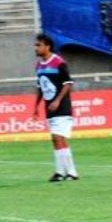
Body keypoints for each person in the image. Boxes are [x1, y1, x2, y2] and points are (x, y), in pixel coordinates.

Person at [32, 33, 78, 182]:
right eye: (35, 45)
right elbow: (41, 86)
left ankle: (70, 172)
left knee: (58, 138)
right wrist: (36, 106)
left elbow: (68, 84)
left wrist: (58, 100)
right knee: (56, 140)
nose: (36, 48)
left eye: (38, 45)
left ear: (47, 46)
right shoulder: (39, 66)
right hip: (49, 107)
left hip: (62, 106)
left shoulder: (59, 62)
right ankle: (62, 172)